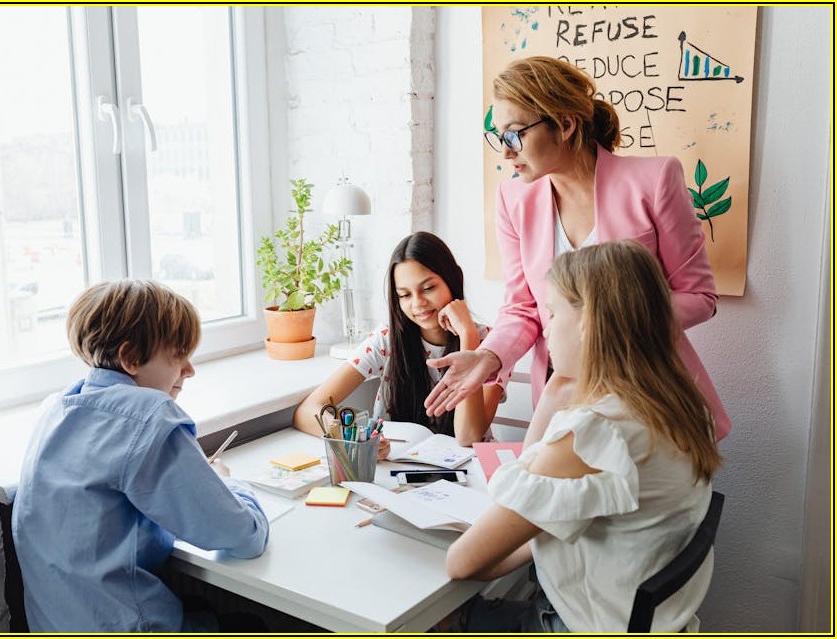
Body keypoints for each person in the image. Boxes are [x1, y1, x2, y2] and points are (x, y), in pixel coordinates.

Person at [423, 56, 730, 444]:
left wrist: (608, 322)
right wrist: (489, 356)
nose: (505, 152)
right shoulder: (512, 199)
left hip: (646, 390)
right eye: (499, 137)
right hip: (563, 395)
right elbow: (523, 307)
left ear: (566, 124)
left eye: (515, 134)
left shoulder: (654, 180)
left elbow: (700, 297)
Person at [445, 240, 721, 632]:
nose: (546, 327)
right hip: (649, 620)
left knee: (431, 618)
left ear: (588, 321)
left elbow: (462, 562)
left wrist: (512, 538)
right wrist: (559, 386)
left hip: (577, 623)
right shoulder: (679, 403)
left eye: (553, 313)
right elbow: (535, 492)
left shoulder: (596, 431)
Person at [12, 280, 269, 632]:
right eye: (179, 354)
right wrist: (228, 484)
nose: (189, 370)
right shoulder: (148, 418)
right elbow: (243, 536)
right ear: (131, 358)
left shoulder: (56, 410)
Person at [293, 232, 504, 452]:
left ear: (453, 279)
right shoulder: (386, 340)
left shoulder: (491, 346)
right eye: (404, 295)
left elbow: (469, 436)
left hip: (468, 473)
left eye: (428, 288)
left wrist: (467, 336)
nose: (418, 303)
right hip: (397, 471)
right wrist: (352, 439)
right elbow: (307, 411)